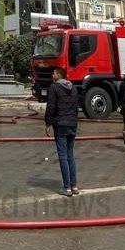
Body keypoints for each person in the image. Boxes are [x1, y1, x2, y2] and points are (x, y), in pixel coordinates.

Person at [44, 68, 79, 197]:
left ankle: (67, 187)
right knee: (70, 155)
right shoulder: (73, 88)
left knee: (63, 155)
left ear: (58, 75)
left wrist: (48, 123)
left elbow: (51, 106)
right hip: (72, 124)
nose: (52, 75)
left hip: (60, 125)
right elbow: (76, 106)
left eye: (53, 73)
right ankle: (74, 185)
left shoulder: (54, 87)